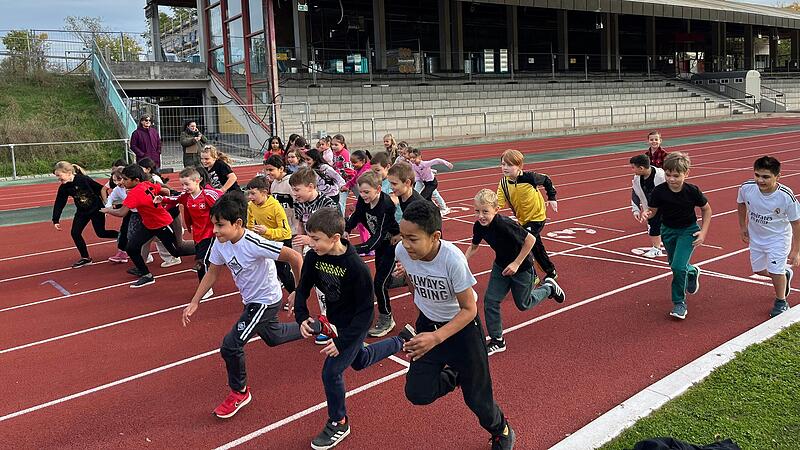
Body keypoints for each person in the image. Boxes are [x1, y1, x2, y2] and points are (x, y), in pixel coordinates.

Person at [394, 200, 516, 450]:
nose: (406, 244)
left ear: (435, 236)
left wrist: (435, 338)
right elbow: (416, 287)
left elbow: (469, 310)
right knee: (417, 393)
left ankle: (501, 429)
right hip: (428, 325)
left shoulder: (452, 260)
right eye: (403, 236)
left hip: (462, 331)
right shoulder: (401, 251)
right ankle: (456, 374)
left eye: (413, 239)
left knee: (478, 400)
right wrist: (407, 278)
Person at [181, 190, 306, 419]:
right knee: (274, 336)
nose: (215, 230)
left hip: (265, 301)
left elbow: (295, 258)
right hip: (250, 300)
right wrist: (195, 300)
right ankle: (316, 327)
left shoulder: (254, 243)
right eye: (213, 225)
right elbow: (213, 271)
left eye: (220, 225)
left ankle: (240, 392)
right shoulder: (220, 243)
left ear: (238, 223)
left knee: (230, 345)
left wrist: (298, 291)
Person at [294, 207, 410, 450]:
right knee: (360, 360)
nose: (311, 243)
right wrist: (302, 315)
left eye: (316, 239)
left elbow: (366, 313)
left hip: (354, 327)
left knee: (331, 372)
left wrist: (342, 342)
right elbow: (303, 287)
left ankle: (339, 422)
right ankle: (402, 341)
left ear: (335, 238)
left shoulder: (356, 267)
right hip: (335, 321)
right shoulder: (314, 257)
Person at [465, 189, 565, 355]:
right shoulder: (479, 226)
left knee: (523, 304)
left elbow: (531, 240)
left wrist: (516, 263)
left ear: (496, 210)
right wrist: (462, 262)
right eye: (477, 211)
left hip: (522, 267)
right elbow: (474, 246)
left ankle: (549, 288)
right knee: (490, 301)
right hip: (501, 266)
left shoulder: (505, 224)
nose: (481, 216)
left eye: (485, 212)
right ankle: (497, 340)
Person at [100, 164, 194, 288]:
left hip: (161, 223)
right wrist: (162, 198)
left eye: (125, 179)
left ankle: (206, 247)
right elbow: (165, 190)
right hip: (148, 224)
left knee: (177, 251)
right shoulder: (146, 184)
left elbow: (122, 212)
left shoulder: (135, 193)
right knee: (132, 247)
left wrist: (108, 211)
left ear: (136, 180)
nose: (122, 182)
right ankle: (146, 275)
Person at [644, 152, 712, 320]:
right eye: (668, 175)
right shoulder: (659, 191)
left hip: (688, 231)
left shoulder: (692, 191)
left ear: (686, 174)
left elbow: (707, 209)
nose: (671, 179)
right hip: (667, 231)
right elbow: (653, 211)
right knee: (675, 265)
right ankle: (692, 271)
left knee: (677, 267)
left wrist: (703, 232)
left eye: (676, 175)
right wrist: (646, 213)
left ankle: (679, 303)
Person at [736, 156, 799, 317]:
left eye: (766, 177)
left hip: (778, 239)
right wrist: (743, 226)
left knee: (775, 270)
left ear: (777, 177)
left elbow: (796, 223)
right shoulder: (746, 188)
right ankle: (785, 275)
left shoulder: (786, 196)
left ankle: (781, 301)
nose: (760, 180)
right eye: (757, 175)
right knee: (758, 270)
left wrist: (796, 250)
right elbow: (741, 203)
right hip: (756, 237)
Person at [345, 171, 400, 337]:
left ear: (378, 189)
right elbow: (357, 216)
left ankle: (387, 318)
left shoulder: (386, 205)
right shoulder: (363, 200)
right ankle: (400, 278)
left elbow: (378, 237)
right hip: (380, 245)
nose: (362, 195)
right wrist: (346, 230)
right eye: (360, 192)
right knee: (382, 277)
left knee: (379, 283)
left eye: (366, 192)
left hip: (391, 243)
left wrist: (352, 249)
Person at [156, 167, 223, 299]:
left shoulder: (208, 195)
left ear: (197, 181)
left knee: (201, 261)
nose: (184, 187)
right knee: (210, 258)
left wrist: (220, 227)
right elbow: (175, 199)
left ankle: (206, 289)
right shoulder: (186, 197)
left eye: (187, 184)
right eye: (182, 184)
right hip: (197, 234)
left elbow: (222, 207)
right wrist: (162, 199)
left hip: (209, 233)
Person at [289, 167, 339, 344]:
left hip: (331, 252)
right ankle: (330, 322)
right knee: (320, 290)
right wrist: (300, 253)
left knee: (331, 288)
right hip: (314, 251)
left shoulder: (327, 204)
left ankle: (334, 323)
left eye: (297, 190)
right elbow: (300, 227)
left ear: (310, 186)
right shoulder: (299, 203)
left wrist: (310, 241)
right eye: (292, 190)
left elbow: (333, 233)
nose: (294, 194)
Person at [497, 149, 558, 282]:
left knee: (521, 243)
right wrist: (488, 209)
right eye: (503, 164)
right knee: (536, 247)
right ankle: (550, 271)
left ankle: (532, 276)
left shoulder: (529, 178)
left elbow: (546, 180)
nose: (505, 168)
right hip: (522, 219)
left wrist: (552, 198)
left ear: (519, 166)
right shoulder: (503, 184)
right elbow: (498, 203)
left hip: (537, 218)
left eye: (509, 165)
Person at [52, 161, 119, 268]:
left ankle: (123, 236)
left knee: (101, 233)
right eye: (57, 177)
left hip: (96, 209)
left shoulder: (83, 180)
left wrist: (107, 204)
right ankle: (85, 258)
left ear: (68, 173)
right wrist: (55, 219)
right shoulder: (64, 188)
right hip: (82, 212)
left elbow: (100, 189)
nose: (58, 179)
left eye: (60, 176)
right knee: (75, 233)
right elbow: (59, 202)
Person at [245, 176, 296, 307]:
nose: (250, 197)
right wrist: (251, 232)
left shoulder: (275, 207)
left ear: (264, 192)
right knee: (263, 269)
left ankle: (296, 296)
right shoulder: (251, 205)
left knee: (283, 272)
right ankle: (267, 296)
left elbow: (285, 232)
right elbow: (250, 222)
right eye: (249, 193)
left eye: (253, 193)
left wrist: (266, 231)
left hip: (281, 241)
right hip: (264, 241)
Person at [630, 154, 666, 258]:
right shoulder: (637, 178)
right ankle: (656, 248)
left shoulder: (660, 175)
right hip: (650, 208)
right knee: (653, 227)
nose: (632, 170)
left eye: (633, 167)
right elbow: (635, 192)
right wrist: (636, 209)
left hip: (665, 206)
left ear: (641, 168)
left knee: (668, 226)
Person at [341, 150, 373, 246]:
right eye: (351, 163)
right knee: (361, 223)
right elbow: (354, 179)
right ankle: (366, 244)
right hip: (364, 200)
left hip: (368, 200)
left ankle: (369, 245)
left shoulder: (366, 172)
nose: (353, 165)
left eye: (355, 163)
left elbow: (369, 191)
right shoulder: (360, 170)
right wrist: (346, 186)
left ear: (362, 161)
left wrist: (356, 204)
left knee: (365, 222)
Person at [105, 167, 131, 264]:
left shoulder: (133, 186)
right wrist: (108, 208)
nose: (117, 183)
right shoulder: (117, 189)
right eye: (114, 180)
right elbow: (110, 198)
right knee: (124, 231)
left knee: (153, 235)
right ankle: (122, 253)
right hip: (130, 212)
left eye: (119, 179)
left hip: (142, 212)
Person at [331, 134, 355, 213]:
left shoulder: (345, 153)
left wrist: (336, 173)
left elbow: (348, 169)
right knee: (341, 202)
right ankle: (342, 221)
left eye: (336, 145)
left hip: (352, 179)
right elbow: (335, 165)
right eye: (332, 144)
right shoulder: (335, 153)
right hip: (342, 181)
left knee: (363, 197)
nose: (333, 147)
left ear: (342, 145)